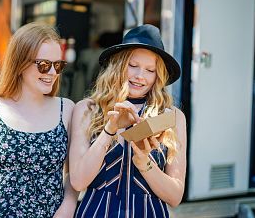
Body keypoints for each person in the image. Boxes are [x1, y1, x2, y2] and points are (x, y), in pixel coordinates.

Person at [0, 22, 78, 217]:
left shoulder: (67, 109)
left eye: (58, 65)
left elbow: (73, 176)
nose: (52, 73)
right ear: (20, 63)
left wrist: (67, 209)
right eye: (43, 65)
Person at [69, 24, 187, 217]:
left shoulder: (171, 117)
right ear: (118, 65)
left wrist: (143, 163)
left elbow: (175, 197)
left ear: (158, 75)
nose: (140, 76)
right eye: (133, 66)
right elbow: (78, 182)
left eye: (150, 70)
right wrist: (109, 130)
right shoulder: (87, 109)